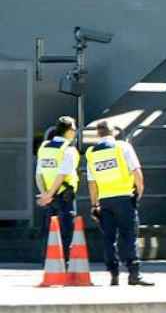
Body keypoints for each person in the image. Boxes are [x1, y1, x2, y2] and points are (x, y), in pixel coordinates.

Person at [85, 121, 153, 286]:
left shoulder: (91, 153)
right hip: (124, 198)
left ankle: (113, 274)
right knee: (129, 235)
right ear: (113, 131)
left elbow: (91, 182)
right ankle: (133, 274)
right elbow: (136, 171)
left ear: (98, 134)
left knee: (109, 238)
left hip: (105, 201)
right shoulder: (122, 147)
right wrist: (139, 192)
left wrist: (94, 205)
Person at [35, 116, 80, 260]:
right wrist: (49, 194)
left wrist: (45, 195)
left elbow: (38, 174)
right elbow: (61, 175)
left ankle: (48, 265)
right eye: (74, 129)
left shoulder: (44, 147)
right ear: (69, 131)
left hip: (49, 199)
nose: (75, 132)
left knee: (50, 232)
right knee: (66, 233)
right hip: (63, 197)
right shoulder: (69, 149)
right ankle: (64, 266)